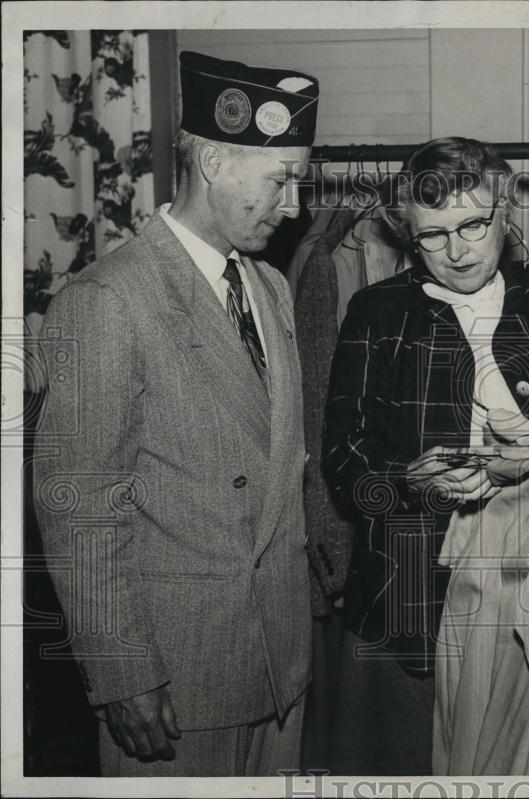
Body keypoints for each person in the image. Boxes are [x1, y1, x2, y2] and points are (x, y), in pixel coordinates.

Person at [32, 51, 319, 776]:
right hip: (175, 679)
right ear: (216, 160)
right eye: (281, 181)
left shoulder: (273, 288)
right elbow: (78, 506)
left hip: (279, 667)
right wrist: (122, 672)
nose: (294, 206)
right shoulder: (109, 300)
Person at [321, 136, 529, 774]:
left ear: (507, 211)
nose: (456, 251)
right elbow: (343, 463)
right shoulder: (376, 313)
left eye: (473, 224)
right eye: (432, 235)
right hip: (410, 598)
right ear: (408, 234)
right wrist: (407, 481)